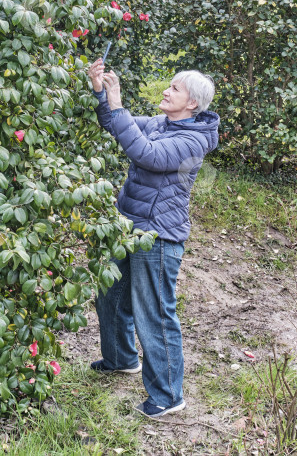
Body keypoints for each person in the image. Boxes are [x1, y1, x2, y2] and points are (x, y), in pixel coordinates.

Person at [87, 57, 219, 419]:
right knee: (109, 295)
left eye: (174, 88)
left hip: (158, 237)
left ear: (191, 103)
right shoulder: (163, 123)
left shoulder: (194, 139)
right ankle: (120, 359)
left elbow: (147, 155)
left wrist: (117, 103)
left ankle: (167, 395)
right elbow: (115, 124)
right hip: (128, 225)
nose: (166, 90)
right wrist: (101, 92)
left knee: (155, 315)